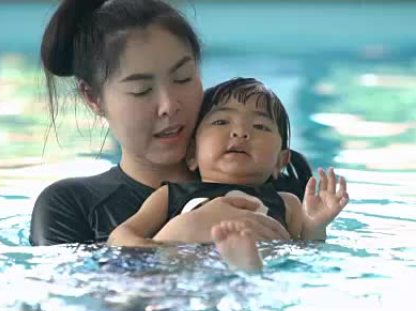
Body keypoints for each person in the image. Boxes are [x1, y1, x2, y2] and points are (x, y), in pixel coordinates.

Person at [30, 0, 312, 246]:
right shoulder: (72, 206)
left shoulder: (278, 187)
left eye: (183, 78)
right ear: (93, 99)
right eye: (141, 90)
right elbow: (89, 301)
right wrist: (178, 236)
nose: (169, 106)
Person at [107, 78, 349, 272]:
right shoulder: (170, 194)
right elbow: (120, 237)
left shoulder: (288, 203)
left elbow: (307, 255)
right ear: (191, 152)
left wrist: (316, 225)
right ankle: (241, 266)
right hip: (184, 270)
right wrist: (166, 244)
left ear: (280, 161)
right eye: (222, 121)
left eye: (260, 127)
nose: (241, 132)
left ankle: (245, 266)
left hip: (265, 268)